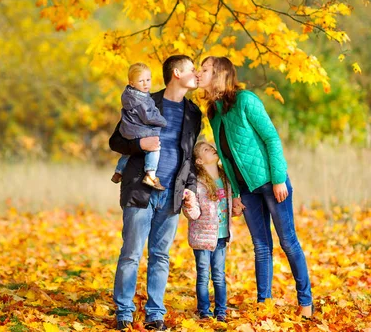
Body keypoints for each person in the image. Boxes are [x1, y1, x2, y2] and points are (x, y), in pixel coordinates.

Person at [196, 56, 314, 319]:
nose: (199, 73)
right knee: (261, 245)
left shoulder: (246, 100)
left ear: (219, 74)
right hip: (246, 189)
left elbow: (271, 137)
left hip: (271, 183)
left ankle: (305, 301)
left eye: (204, 69)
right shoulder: (213, 112)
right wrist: (236, 194)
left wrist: (279, 178)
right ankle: (265, 304)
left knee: (288, 241)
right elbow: (226, 158)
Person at [109, 54, 202, 331]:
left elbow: (190, 157)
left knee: (161, 256)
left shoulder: (193, 113)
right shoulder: (145, 100)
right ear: (176, 73)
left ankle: (155, 315)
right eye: (191, 69)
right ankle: (124, 313)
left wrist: (190, 189)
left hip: (171, 193)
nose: (196, 73)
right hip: (141, 189)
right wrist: (140, 144)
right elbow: (116, 140)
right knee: (131, 254)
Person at [182, 141, 243, 323]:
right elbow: (194, 214)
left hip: (222, 236)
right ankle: (204, 311)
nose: (212, 149)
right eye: (206, 150)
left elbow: (229, 205)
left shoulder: (225, 179)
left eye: (211, 147)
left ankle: (221, 311)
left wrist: (237, 208)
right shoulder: (198, 184)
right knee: (203, 275)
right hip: (202, 237)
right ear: (199, 161)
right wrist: (189, 203)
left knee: (218, 274)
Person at [111, 62, 168, 190]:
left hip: (129, 129)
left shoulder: (129, 95)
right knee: (154, 147)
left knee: (127, 153)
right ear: (132, 83)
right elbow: (149, 117)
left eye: (148, 79)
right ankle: (151, 174)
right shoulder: (140, 100)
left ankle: (119, 171)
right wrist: (163, 121)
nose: (145, 83)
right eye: (141, 81)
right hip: (138, 129)